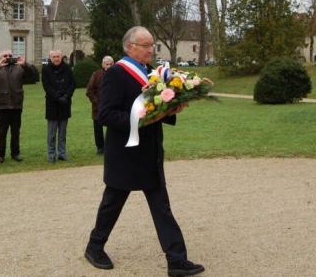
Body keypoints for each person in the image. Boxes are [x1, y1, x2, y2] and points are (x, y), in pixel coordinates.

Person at [84, 26, 204, 276]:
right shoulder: (116, 73)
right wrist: (140, 119)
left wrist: (169, 111)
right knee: (112, 204)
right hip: (125, 154)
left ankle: (176, 259)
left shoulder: (152, 73)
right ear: (130, 47)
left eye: (152, 45)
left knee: (162, 206)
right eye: (146, 45)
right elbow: (105, 114)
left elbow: (154, 108)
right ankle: (95, 247)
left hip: (150, 152)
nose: (151, 49)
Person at [0, 50, 37, 163]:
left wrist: (25, 64)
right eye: (5, 56)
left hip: (16, 105)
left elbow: (33, 75)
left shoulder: (19, 68)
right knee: (2, 131)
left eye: (10, 56)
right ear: (1, 57)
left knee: (15, 131)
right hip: (2, 105)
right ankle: (0, 154)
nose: (8, 57)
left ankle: (15, 153)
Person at [41, 49, 75, 163]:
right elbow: (46, 86)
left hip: (65, 104)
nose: (56, 59)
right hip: (52, 104)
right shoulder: (45, 69)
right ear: (50, 58)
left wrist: (66, 96)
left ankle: (62, 153)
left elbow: (72, 83)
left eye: (58, 56)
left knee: (62, 132)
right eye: (54, 57)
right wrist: (57, 97)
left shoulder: (67, 68)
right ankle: (51, 154)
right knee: (51, 133)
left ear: (61, 57)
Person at [86, 55, 114, 155]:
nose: (109, 66)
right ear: (103, 64)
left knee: (112, 128)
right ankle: (100, 148)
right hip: (98, 107)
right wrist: (97, 102)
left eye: (111, 64)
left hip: (112, 107)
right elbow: (89, 90)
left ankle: (110, 147)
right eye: (107, 64)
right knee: (98, 128)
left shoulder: (116, 75)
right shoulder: (96, 74)